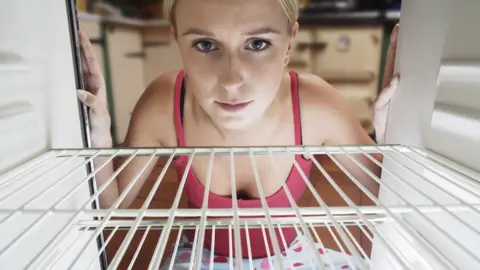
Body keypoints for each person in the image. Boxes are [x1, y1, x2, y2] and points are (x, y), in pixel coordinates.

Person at [77, 0, 399, 268]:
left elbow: (389, 196)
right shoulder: (165, 103)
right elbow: (111, 209)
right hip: (197, 256)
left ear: (289, 43)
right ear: (177, 40)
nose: (231, 80)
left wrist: (392, 138)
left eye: (257, 44)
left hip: (293, 256)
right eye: (205, 45)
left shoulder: (316, 105)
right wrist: (99, 135)